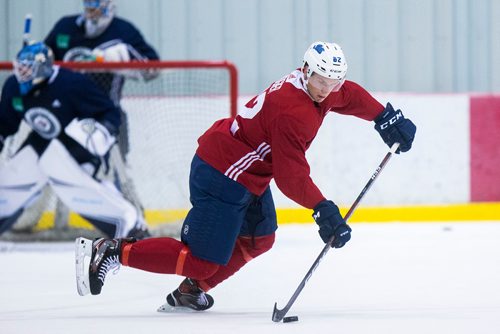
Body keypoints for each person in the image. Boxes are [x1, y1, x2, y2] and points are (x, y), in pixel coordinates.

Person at [75, 41, 416, 311]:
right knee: (203, 261)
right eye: (321, 81)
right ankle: (111, 251)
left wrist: (384, 117)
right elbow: (290, 176)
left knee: (259, 239)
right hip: (221, 173)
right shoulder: (292, 111)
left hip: (246, 174)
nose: (327, 89)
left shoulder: (317, 86)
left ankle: (191, 291)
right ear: (306, 70)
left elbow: (349, 94)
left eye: (332, 81)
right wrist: (322, 208)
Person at [0, 41, 149, 239]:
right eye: (20, 67)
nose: (22, 74)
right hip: (40, 144)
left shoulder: (71, 83)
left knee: (76, 191)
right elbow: (5, 124)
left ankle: (132, 225)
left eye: (28, 68)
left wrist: (102, 131)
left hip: (77, 147)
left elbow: (109, 111)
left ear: (43, 68)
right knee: (12, 180)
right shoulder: (13, 86)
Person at [43, 0, 160, 226]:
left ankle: (136, 223)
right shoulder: (65, 27)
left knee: (118, 170)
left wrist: (123, 58)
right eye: (88, 4)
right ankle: (60, 220)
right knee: (61, 165)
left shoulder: (123, 31)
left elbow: (152, 68)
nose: (91, 9)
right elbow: (44, 61)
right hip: (65, 115)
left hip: (108, 116)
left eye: (96, 4)